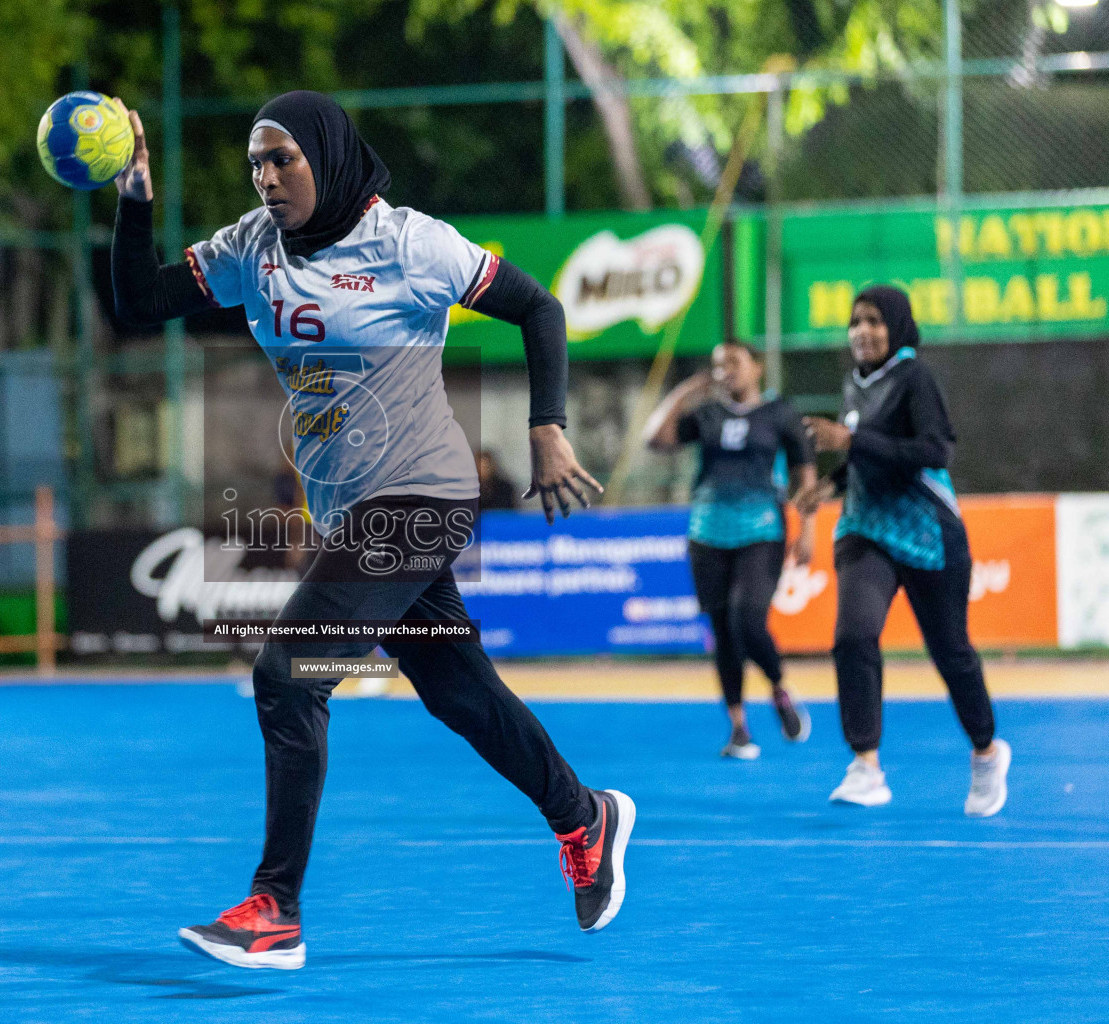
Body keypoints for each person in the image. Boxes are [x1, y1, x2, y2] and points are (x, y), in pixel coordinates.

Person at [111, 90, 635, 970]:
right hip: (351, 512)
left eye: (284, 159)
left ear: (328, 154)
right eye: (256, 164)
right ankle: (585, 816)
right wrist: (134, 200)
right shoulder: (252, 246)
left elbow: (539, 309)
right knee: (460, 693)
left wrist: (547, 425)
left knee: (289, 674)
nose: (267, 177)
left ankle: (275, 909)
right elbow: (139, 300)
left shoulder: (408, 243)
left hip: (421, 498)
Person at [800, 286, 1009, 815]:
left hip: (926, 532)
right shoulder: (855, 384)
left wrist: (850, 444)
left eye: (873, 321)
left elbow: (935, 450)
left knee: (951, 653)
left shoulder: (915, 378)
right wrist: (833, 484)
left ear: (896, 326)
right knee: (853, 636)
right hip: (865, 529)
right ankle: (866, 765)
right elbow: (868, 454)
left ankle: (986, 752)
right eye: (854, 322)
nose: (861, 331)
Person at [645, 341, 816, 759]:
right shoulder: (707, 413)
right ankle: (739, 729)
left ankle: (779, 687)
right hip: (707, 532)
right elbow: (656, 440)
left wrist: (807, 528)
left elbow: (805, 472)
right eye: (718, 364)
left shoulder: (780, 412)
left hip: (761, 530)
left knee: (748, 621)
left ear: (757, 368)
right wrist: (685, 392)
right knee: (722, 632)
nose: (725, 371)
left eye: (734, 363)